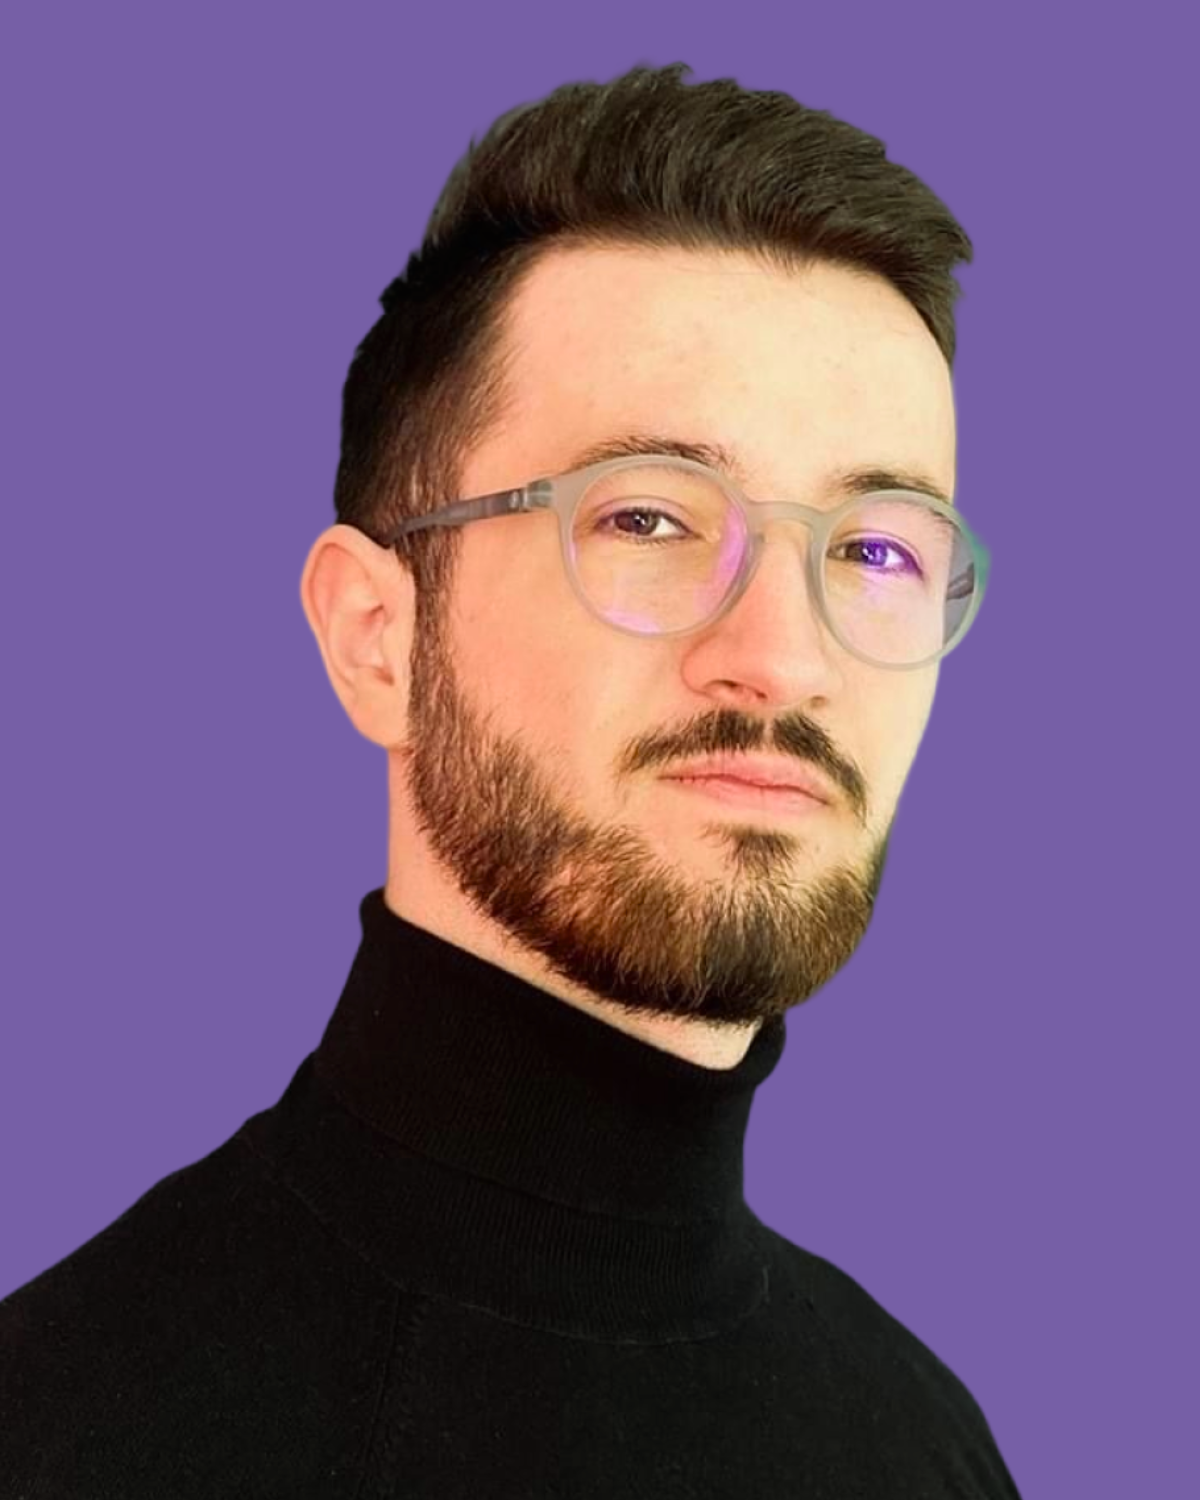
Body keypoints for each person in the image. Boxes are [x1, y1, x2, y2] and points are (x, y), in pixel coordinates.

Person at [0, 62, 1018, 1496]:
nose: (786, 660)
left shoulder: (926, 1444)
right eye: (649, 517)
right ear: (379, 638)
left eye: (876, 548)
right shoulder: (67, 1431)